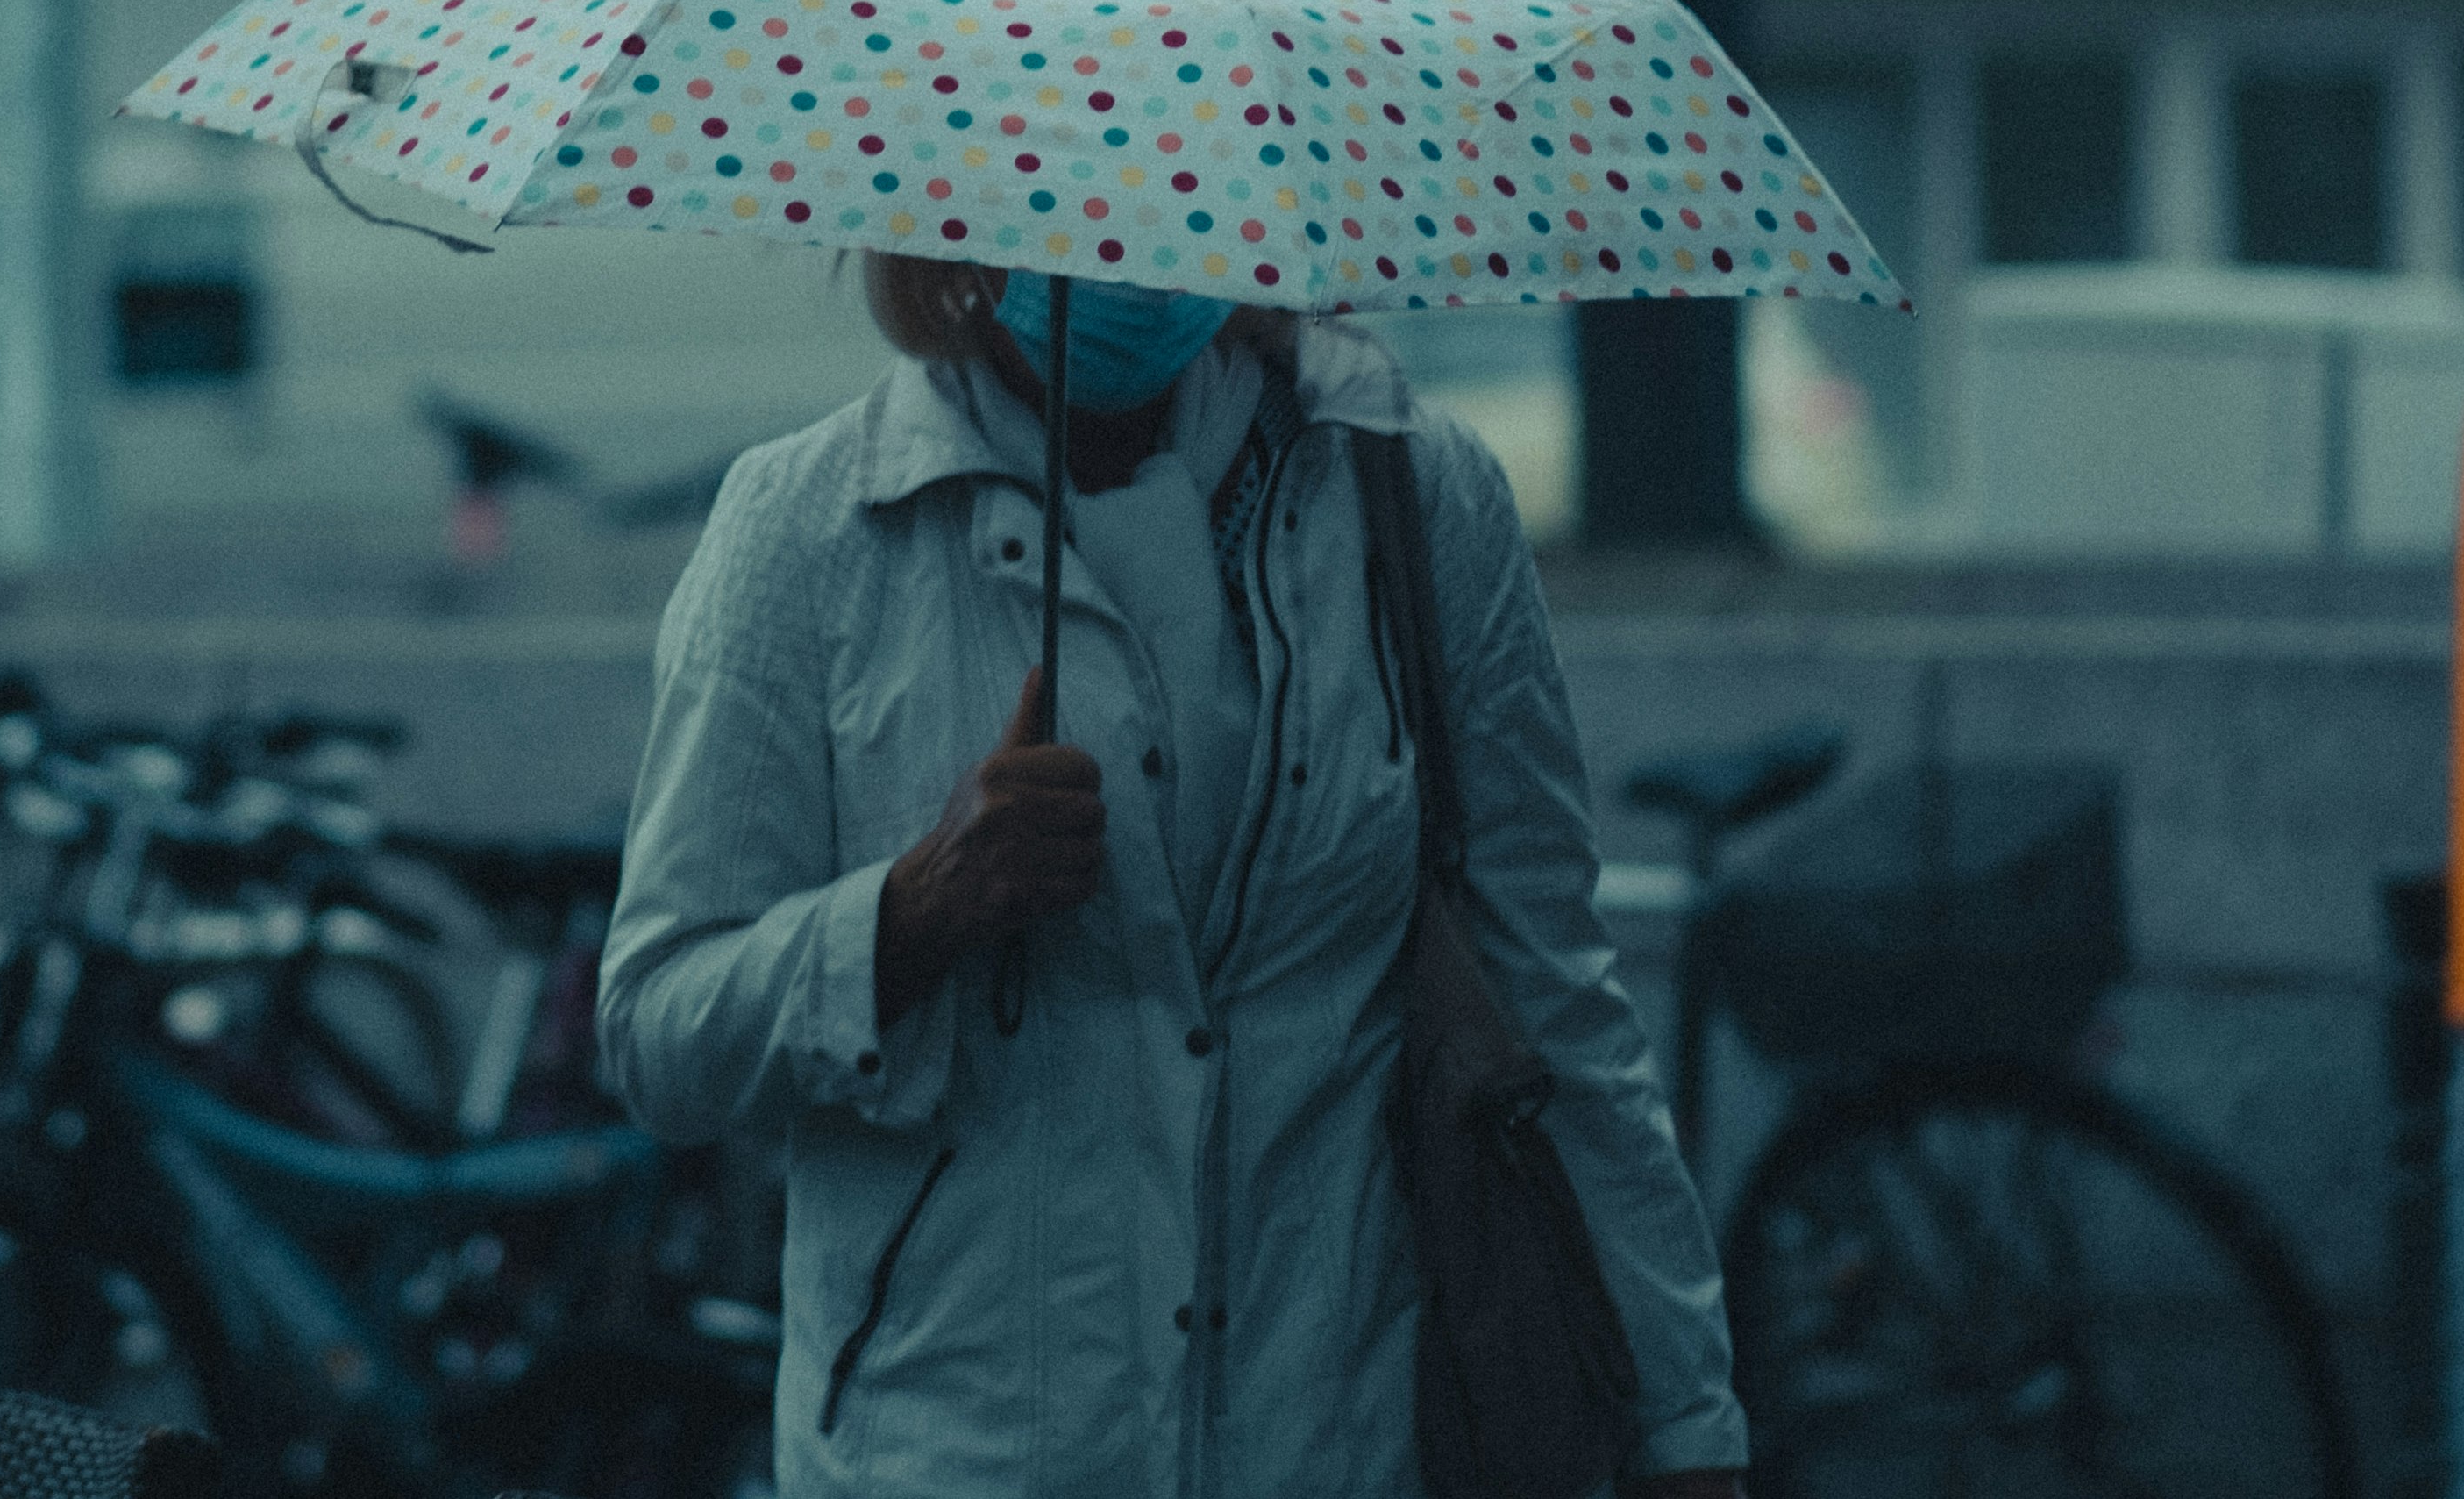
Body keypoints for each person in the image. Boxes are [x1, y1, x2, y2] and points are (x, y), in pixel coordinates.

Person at [599, 256, 1746, 1497]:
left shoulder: (1412, 493)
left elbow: (1555, 1003)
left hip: (1340, 1441)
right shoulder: (807, 526)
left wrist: (1687, 1431)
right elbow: (661, 1031)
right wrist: (914, 910)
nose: (1111, 250)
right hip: (955, 1455)